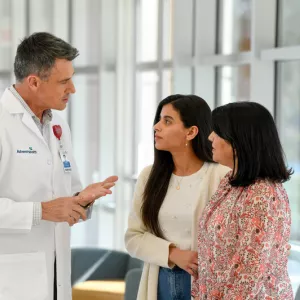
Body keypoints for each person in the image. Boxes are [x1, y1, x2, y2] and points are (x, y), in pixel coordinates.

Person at [0, 32, 118, 300]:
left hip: (56, 275)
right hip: (10, 279)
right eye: (64, 81)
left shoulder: (58, 126)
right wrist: (41, 211)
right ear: (33, 82)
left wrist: (82, 200)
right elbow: (49, 209)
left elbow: (67, 193)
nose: (73, 89)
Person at [125, 94, 230, 300]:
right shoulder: (149, 176)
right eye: (158, 120)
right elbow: (133, 237)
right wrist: (173, 254)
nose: (156, 127)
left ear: (191, 132)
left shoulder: (221, 176)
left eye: (167, 121)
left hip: (204, 282)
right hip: (160, 280)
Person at [192, 102, 293, 299]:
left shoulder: (262, 194)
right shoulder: (230, 182)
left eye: (217, 132)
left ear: (238, 140)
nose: (210, 137)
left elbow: (249, 275)